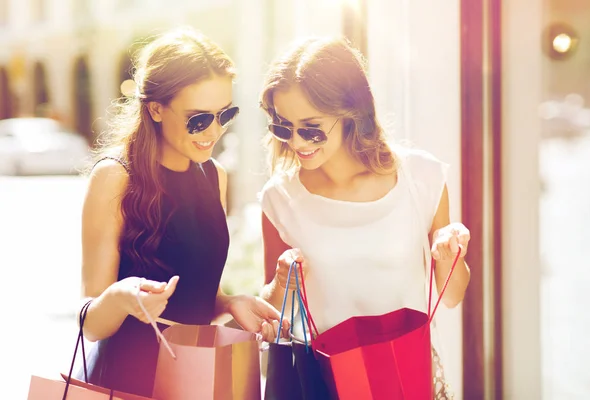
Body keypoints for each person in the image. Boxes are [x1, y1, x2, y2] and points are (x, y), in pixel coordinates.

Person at [78, 27, 286, 397]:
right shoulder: (115, 177)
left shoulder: (214, 175)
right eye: (198, 119)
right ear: (156, 109)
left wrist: (229, 302)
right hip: (127, 382)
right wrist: (123, 297)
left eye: (225, 115)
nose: (214, 131)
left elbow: (196, 282)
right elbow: (90, 323)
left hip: (197, 377)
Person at [257, 37, 471, 397]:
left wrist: (450, 258)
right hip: (328, 385)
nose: (296, 142)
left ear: (350, 112)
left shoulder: (421, 177)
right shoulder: (280, 198)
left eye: (310, 128)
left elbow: (451, 297)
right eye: (282, 126)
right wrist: (281, 282)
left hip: (409, 381)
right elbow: (273, 315)